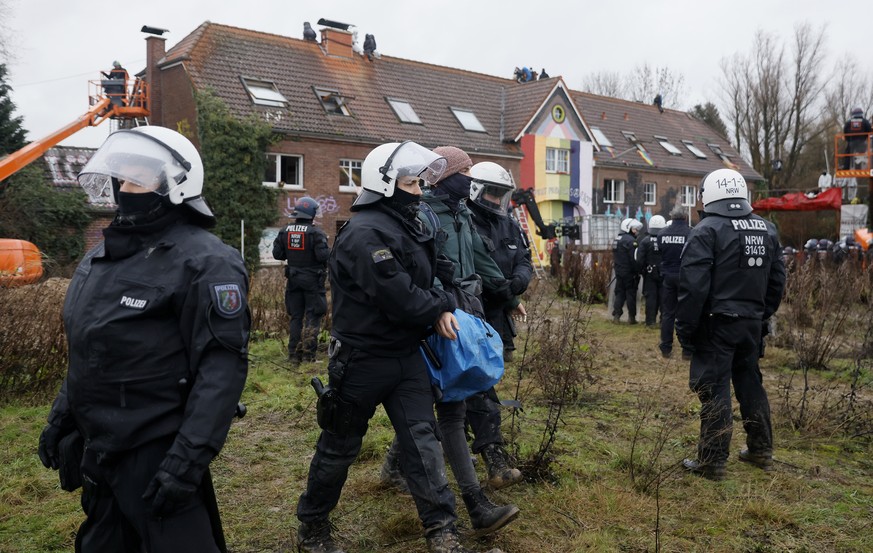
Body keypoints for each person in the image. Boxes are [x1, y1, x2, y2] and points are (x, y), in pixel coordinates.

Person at [37, 126, 250, 552]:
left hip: (157, 452)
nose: (125, 190)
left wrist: (186, 462)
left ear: (176, 184)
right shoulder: (100, 256)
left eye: (138, 180)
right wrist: (62, 417)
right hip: (100, 447)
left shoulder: (207, 261)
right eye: (122, 180)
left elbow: (221, 371)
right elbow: (88, 351)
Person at [295, 142, 496, 553]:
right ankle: (313, 526)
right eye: (410, 182)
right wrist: (439, 305)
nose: (419, 190)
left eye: (420, 182)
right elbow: (401, 296)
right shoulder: (365, 233)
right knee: (339, 447)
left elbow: (435, 266)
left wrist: (439, 283)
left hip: (406, 356)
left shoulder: (407, 224)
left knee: (423, 443)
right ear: (384, 184)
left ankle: (442, 530)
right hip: (361, 359)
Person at [379, 146, 520, 535]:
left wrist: (509, 297)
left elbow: (481, 257)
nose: (472, 177)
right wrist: (440, 306)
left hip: (462, 309)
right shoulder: (423, 213)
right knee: (433, 403)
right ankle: (458, 501)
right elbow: (424, 269)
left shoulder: (462, 213)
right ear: (445, 175)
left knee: (447, 402)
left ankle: (469, 500)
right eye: (467, 170)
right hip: (436, 316)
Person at [677, 168, 786, 481]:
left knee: (714, 390)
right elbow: (778, 281)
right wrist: (760, 313)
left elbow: (693, 289)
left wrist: (686, 331)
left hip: (715, 325)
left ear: (709, 195)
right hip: (751, 324)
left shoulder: (706, 231)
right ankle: (760, 450)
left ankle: (712, 461)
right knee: (750, 384)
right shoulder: (768, 229)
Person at [467, 160, 533, 488]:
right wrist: (506, 290)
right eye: (491, 193)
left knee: (473, 388)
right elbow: (479, 272)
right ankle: (494, 458)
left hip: (498, 318)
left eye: (501, 194)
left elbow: (523, 259)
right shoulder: (464, 223)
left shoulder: (509, 224)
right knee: (476, 387)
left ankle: (409, 458)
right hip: (470, 317)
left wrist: (515, 288)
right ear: (475, 189)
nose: (496, 200)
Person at [272, 196, 329, 365]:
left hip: (293, 279)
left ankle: (293, 355)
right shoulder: (316, 233)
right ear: (312, 213)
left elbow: (277, 254)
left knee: (296, 316)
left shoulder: (285, 231)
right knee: (313, 315)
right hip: (312, 280)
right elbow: (323, 256)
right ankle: (309, 356)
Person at [657, 206, 691, 358]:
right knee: (686, 313)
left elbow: (661, 254)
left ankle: (666, 347)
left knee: (668, 313)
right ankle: (687, 348)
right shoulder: (691, 233)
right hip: (686, 277)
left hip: (668, 276)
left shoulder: (662, 233)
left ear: (671, 216)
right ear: (685, 217)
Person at [637, 215, 666, 328]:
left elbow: (640, 260)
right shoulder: (665, 240)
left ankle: (650, 322)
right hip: (664, 273)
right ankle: (664, 321)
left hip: (649, 274)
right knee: (664, 298)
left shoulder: (645, 241)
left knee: (651, 298)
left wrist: (642, 271)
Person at [612, 217, 642, 324]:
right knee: (630, 294)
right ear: (627, 228)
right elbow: (634, 259)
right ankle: (631, 318)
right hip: (629, 273)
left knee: (619, 293)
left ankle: (616, 315)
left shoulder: (617, 239)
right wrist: (637, 271)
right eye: (634, 229)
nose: (636, 232)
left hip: (619, 271)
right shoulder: (631, 241)